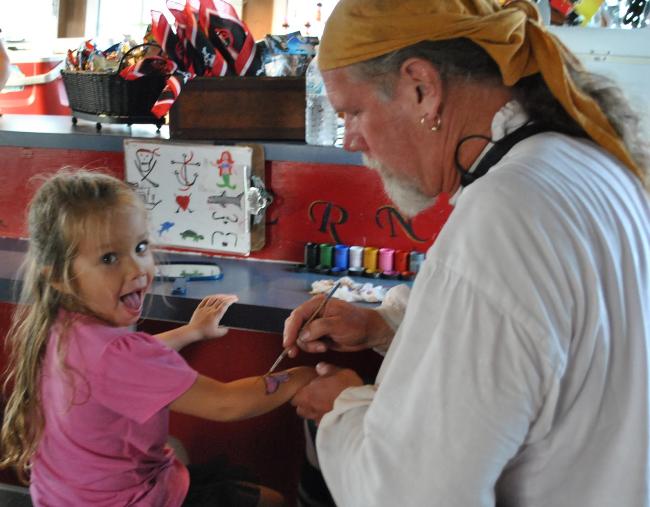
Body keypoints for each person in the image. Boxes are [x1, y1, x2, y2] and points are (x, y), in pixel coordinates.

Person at [283, 0, 650, 506]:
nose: (350, 140)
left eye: (353, 111)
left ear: (421, 87)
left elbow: (409, 496)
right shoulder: (585, 162)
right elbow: (541, 338)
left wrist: (342, 408)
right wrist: (386, 325)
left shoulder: (504, 214)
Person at [0, 170, 317, 507]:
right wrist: (302, 377)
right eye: (109, 258)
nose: (136, 269)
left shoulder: (60, 323)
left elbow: (125, 366)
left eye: (140, 247)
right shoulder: (119, 354)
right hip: (131, 500)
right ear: (61, 277)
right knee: (273, 502)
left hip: (64, 495)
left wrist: (190, 332)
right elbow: (226, 403)